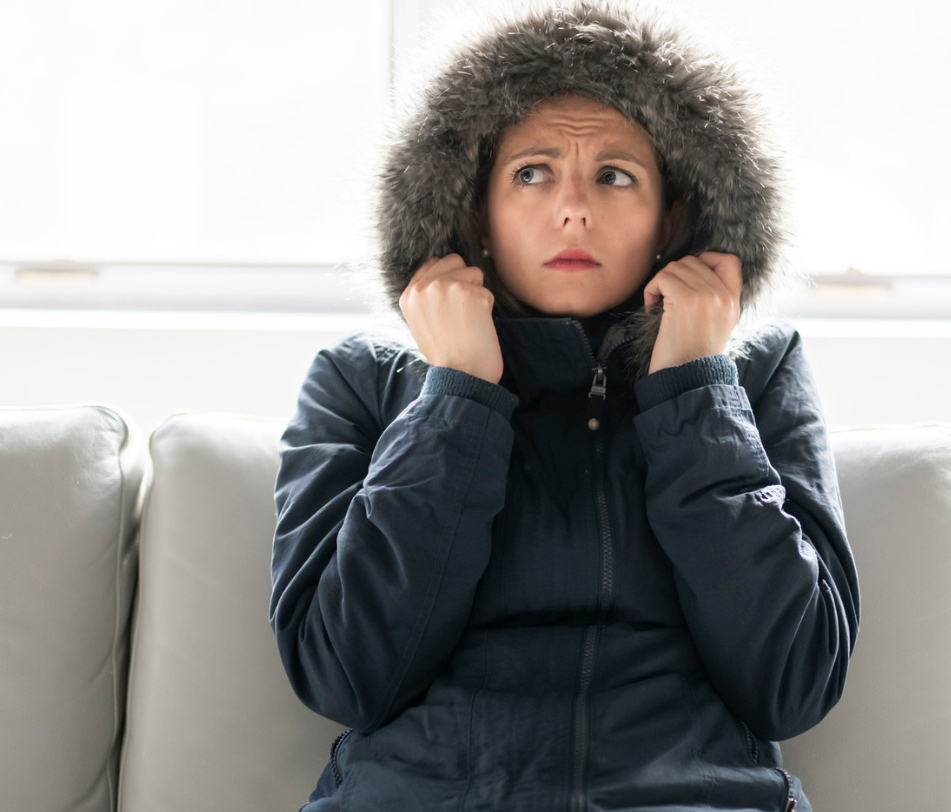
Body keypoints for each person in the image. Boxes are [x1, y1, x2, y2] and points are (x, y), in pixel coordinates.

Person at [270, 4, 860, 810]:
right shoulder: (362, 382)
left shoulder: (754, 377)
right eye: (532, 173)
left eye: (615, 175)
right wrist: (459, 399)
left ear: (673, 217)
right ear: (474, 211)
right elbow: (347, 674)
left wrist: (693, 390)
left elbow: (793, 681)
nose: (573, 208)